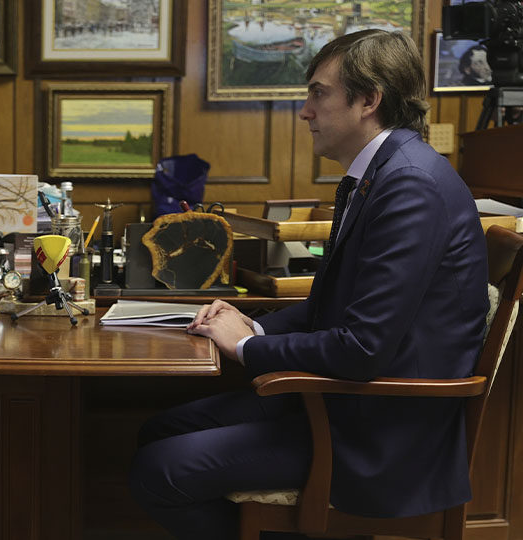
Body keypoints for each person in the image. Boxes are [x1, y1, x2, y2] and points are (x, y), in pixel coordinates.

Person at [129, 29, 488, 540]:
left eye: (319, 93)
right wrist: (250, 323)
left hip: (379, 433)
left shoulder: (411, 184)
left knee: (157, 469)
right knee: (159, 429)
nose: (305, 111)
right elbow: (331, 305)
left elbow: (363, 347)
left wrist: (247, 347)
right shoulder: (381, 174)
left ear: (369, 100)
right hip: (344, 403)